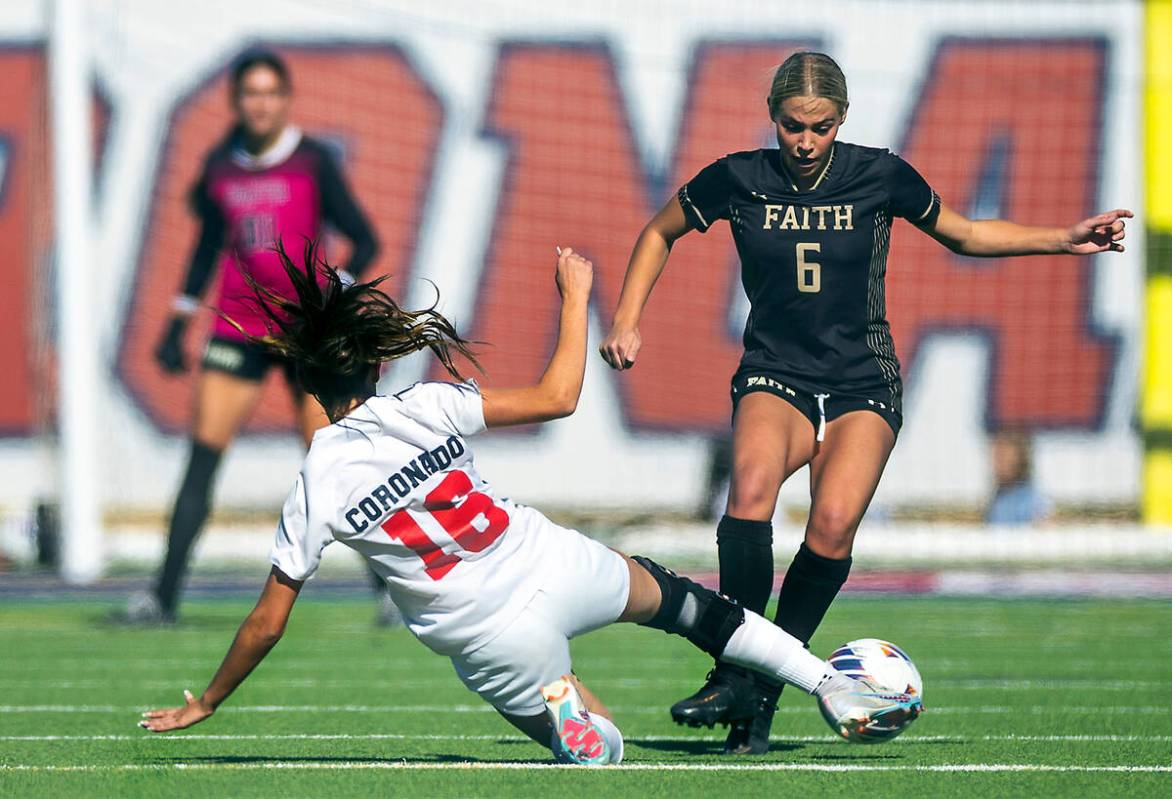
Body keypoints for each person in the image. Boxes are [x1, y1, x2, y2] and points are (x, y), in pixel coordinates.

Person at [137, 243, 922, 765]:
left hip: (487, 637)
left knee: (586, 739)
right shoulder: (426, 403)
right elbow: (559, 395)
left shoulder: (318, 480)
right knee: (690, 605)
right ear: (375, 366)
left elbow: (269, 620)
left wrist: (209, 699)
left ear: (306, 385)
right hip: (550, 560)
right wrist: (574, 296)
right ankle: (825, 677)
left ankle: (580, 723)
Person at [599, 50, 1131, 754]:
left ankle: (761, 686)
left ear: (842, 119)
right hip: (774, 370)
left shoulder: (878, 174)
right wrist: (627, 317)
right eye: (793, 125)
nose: (806, 141)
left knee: (834, 525)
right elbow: (658, 231)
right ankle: (734, 667)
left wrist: (1062, 239)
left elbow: (965, 234)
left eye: (820, 127)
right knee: (750, 489)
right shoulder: (739, 177)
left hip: (861, 381)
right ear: (774, 119)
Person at [123, 50, 382, 624]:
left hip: (302, 334)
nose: (260, 104)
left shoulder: (312, 162)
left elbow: (364, 240)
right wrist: (175, 324)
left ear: (285, 100)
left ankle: (389, 590)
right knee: (201, 460)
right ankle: (161, 598)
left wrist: (333, 295)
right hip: (237, 327)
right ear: (236, 101)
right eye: (250, 93)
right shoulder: (221, 167)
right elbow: (205, 249)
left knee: (334, 463)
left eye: (270, 93)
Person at [985, 430, 1052, 525]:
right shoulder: (999, 499)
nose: (997, 463)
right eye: (995, 455)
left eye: (1003, 455)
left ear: (1020, 459)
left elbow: (1042, 531)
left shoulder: (1033, 501)